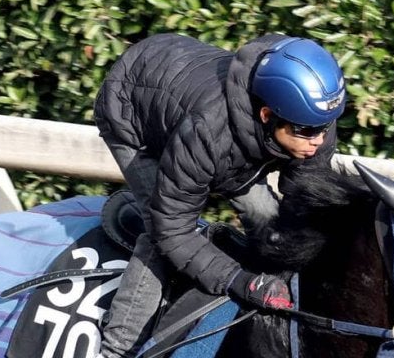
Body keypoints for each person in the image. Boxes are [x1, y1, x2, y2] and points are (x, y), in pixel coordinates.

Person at [93, 33, 346, 358]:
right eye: (307, 132)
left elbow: (305, 203)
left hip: (227, 144)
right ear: (268, 116)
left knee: (270, 226)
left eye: (326, 127)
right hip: (133, 114)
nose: (318, 141)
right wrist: (238, 280)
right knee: (157, 237)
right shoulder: (207, 131)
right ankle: (117, 350)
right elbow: (173, 229)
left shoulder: (313, 115)